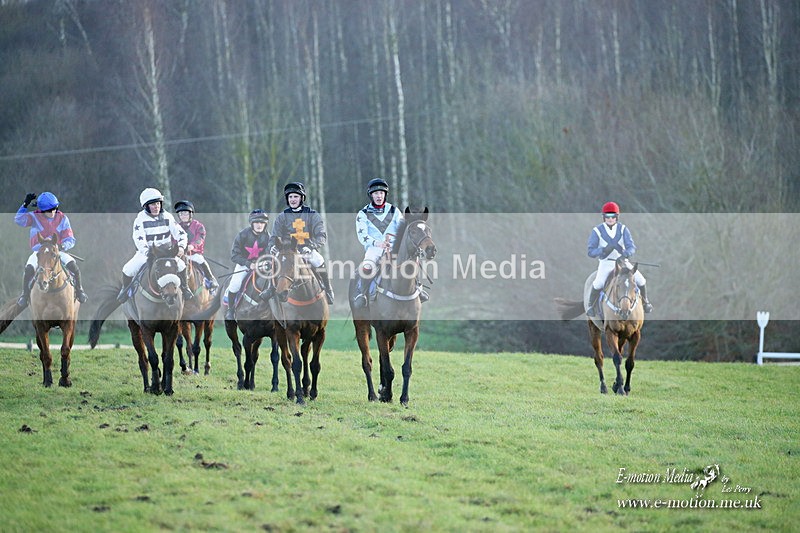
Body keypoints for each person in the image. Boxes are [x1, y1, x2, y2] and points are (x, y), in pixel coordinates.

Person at [117, 188, 193, 302]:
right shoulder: (140, 219)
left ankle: (185, 289)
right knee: (127, 269)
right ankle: (125, 290)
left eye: (158, 203)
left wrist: (181, 246)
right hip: (149, 252)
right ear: (146, 206)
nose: (156, 206)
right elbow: (138, 238)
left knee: (182, 266)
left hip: (167, 252)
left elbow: (181, 233)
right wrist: (147, 251)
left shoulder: (167, 216)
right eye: (153, 204)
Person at [352, 178, 417, 309]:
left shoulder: (394, 210)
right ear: (371, 195)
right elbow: (362, 236)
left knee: (410, 261)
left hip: (394, 247)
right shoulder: (363, 214)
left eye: (381, 193)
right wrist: (378, 243)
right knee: (367, 264)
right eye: (376, 193)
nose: (379, 196)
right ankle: (362, 294)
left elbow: (402, 230)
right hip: (374, 248)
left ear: (385, 195)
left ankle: (418, 288)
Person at [15, 191, 88, 307]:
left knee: (74, 267)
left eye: (55, 208)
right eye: (49, 210)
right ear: (42, 210)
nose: (53, 212)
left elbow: (70, 238)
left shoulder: (63, 218)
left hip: (57, 251)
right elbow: (18, 220)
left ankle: (79, 290)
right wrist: (25, 204)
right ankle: (24, 295)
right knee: (29, 268)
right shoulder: (34, 216)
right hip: (39, 252)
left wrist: (63, 246)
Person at [268, 182, 334, 304]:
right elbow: (274, 236)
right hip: (287, 251)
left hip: (307, 249)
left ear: (302, 198)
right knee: (274, 262)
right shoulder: (281, 217)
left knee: (319, 260)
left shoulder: (312, 215)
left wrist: (311, 246)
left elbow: (321, 236)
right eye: (290, 197)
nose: (293, 199)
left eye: (296, 196)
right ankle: (271, 289)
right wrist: (272, 247)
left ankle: (328, 290)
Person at [586, 201, 652, 316]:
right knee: (598, 283)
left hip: (623, 262)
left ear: (617, 217)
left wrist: (626, 254)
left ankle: (646, 302)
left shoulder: (623, 229)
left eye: (613, 216)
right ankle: (591, 306)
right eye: (607, 216)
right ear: (604, 217)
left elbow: (631, 247)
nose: (610, 219)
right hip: (606, 262)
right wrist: (603, 250)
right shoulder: (597, 231)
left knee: (641, 280)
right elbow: (590, 251)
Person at [226, 209, 272, 320]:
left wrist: (263, 263)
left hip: (262, 266)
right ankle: (231, 310)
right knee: (235, 285)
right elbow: (234, 255)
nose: (259, 225)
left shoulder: (268, 237)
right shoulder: (242, 235)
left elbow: (269, 253)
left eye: (262, 223)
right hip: (244, 265)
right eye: (256, 222)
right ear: (251, 223)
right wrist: (248, 264)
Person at [174, 200, 219, 292]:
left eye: (186, 213)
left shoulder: (199, 226)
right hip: (180, 254)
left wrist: (192, 246)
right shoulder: (176, 227)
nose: (183, 216)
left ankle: (210, 279)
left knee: (200, 259)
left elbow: (200, 239)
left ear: (191, 214)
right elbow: (173, 239)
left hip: (193, 253)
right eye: (181, 214)